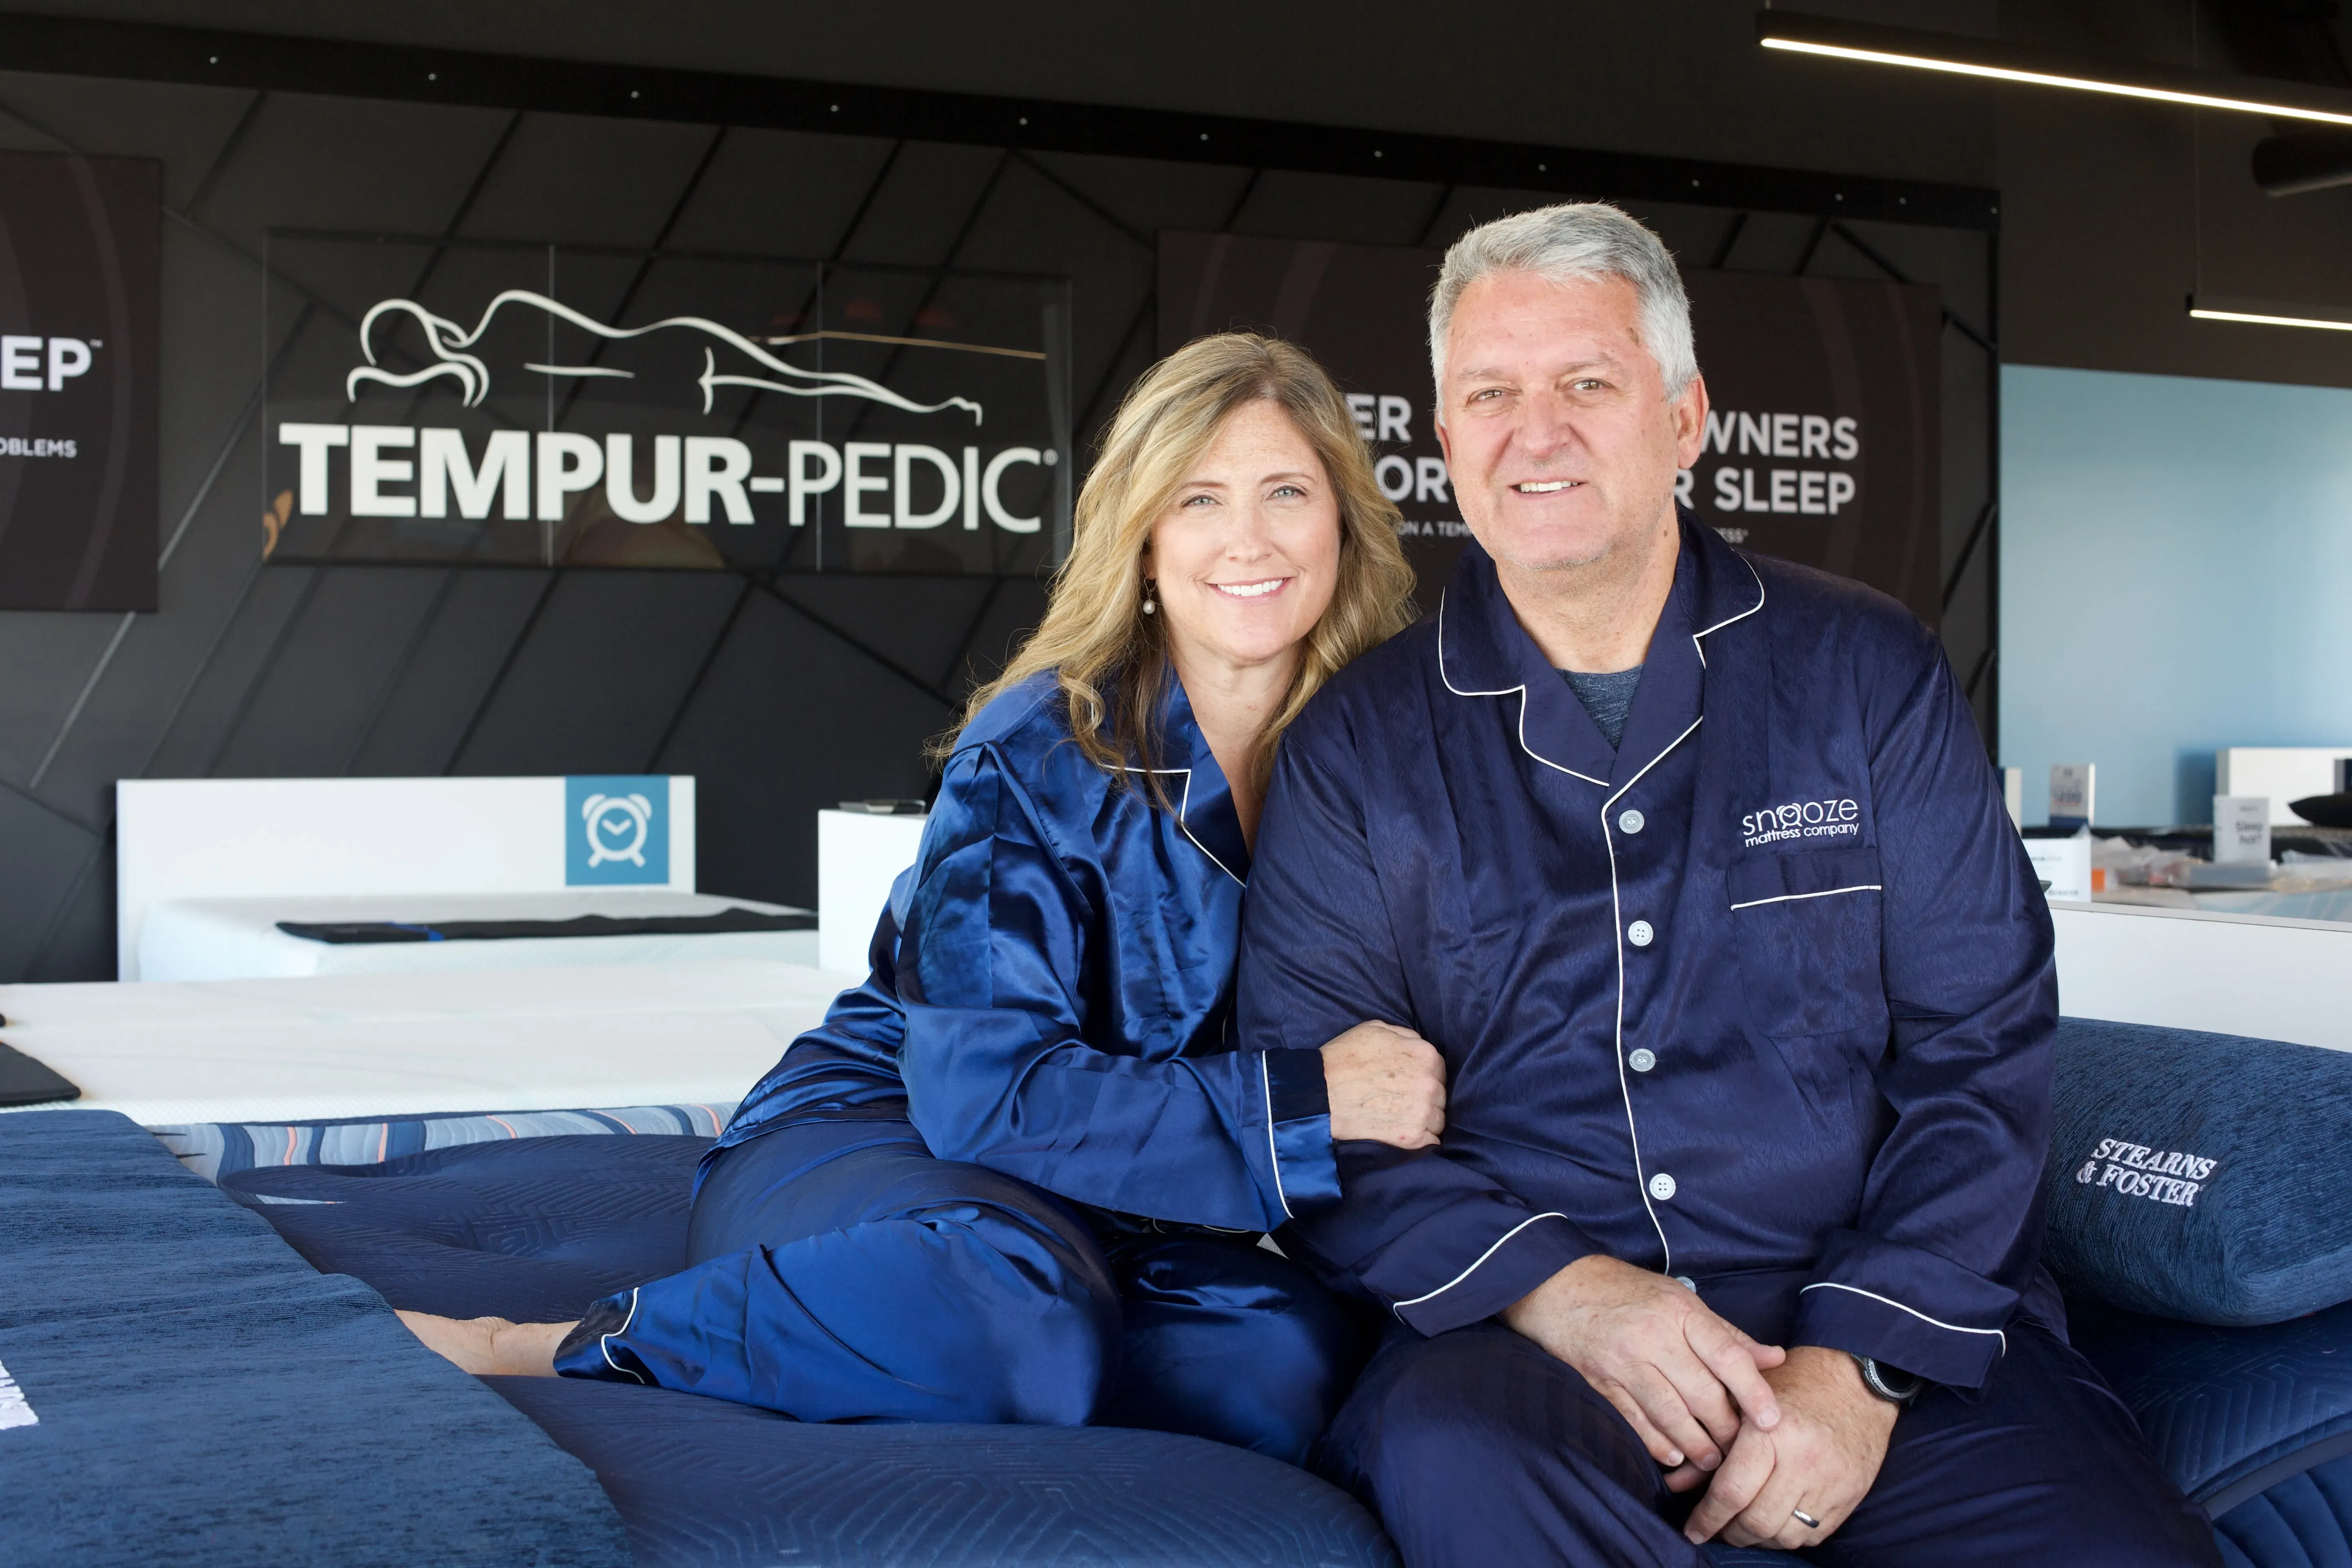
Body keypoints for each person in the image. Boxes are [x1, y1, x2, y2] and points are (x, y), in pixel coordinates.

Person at [1236, 203, 2223, 1563]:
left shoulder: (1869, 675)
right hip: (1526, 1346)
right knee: (1469, 1476)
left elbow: (1981, 1046)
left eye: (1588, 383)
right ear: (1448, 441)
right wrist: (1568, 1296)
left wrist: (1858, 1372)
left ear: (1686, 417)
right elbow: (1317, 1110)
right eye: (1492, 395)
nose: (1539, 431)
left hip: (1869, 1310)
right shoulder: (1357, 742)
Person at [399, 332, 1437, 1464]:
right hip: (890, 1139)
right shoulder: (1037, 751)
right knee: (1022, 1308)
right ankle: (559, 1342)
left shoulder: (1381, 747)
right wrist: (1299, 1105)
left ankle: (972, 1357)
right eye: (1200, 500)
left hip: (1132, 1206)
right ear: (1143, 542)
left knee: (1286, 1361)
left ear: (1341, 520)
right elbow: (984, 1097)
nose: (1248, 540)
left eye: (1286, 491)